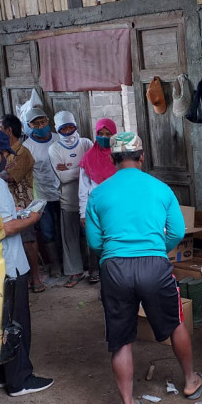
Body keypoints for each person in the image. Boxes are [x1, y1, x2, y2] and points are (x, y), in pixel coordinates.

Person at [85, 131, 202, 404]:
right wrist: (154, 251)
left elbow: (93, 241)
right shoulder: (161, 189)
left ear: (113, 160)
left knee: (121, 339)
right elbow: (177, 233)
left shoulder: (98, 193)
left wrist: (115, 254)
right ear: (142, 158)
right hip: (154, 266)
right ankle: (190, 381)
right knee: (175, 322)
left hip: (114, 268)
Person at [0, 129, 54, 396]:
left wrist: (14, 215)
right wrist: (30, 218)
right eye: (6, 155)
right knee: (16, 322)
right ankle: (19, 379)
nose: (8, 160)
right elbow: (4, 229)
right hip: (8, 264)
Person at [0, 113, 45, 293]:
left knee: (28, 240)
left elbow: (10, 176)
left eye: (1, 129)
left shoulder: (22, 152)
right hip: (8, 203)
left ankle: (36, 277)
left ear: (9, 131)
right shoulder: (4, 152)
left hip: (22, 203)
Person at [49, 111, 92, 288]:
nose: (68, 131)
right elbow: (62, 178)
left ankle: (94, 269)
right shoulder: (54, 149)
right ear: (58, 130)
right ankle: (75, 271)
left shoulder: (86, 143)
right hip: (67, 199)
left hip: (89, 199)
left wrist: (70, 168)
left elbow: (92, 169)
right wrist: (81, 167)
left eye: (70, 127)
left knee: (91, 236)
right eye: (63, 128)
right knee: (70, 238)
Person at [79, 118, 117, 283]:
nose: (104, 137)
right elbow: (83, 189)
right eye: (100, 134)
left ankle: (115, 276)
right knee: (97, 242)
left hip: (117, 208)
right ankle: (100, 274)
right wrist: (83, 213)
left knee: (114, 242)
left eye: (108, 134)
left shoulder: (119, 157)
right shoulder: (88, 158)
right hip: (96, 209)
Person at [25, 106, 61, 277]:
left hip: (62, 192)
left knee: (66, 229)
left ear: (48, 121)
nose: (41, 126)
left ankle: (70, 263)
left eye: (43, 122)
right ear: (29, 126)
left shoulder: (58, 138)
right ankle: (54, 265)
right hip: (43, 194)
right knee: (47, 231)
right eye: (36, 124)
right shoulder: (27, 147)